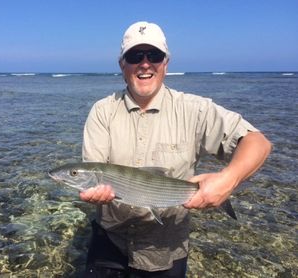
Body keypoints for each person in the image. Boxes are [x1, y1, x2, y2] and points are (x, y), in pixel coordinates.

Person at [80, 21, 272, 277]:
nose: (145, 63)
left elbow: (258, 142)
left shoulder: (195, 109)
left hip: (167, 250)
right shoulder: (102, 111)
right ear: (122, 65)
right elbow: (94, 171)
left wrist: (228, 179)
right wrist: (95, 191)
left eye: (154, 55)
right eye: (135, 56)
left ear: (166, 63)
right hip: (110, 242)